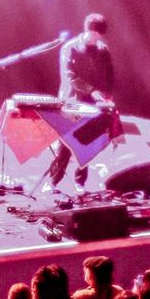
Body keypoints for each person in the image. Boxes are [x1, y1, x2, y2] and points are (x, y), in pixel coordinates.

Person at [47, 13, 116, 192]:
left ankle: (80, 182)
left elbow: (110, 75)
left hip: (93, 104)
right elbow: (70, 76)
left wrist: (108, 94)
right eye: (95, 34)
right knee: (66, 143)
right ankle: (53, 181)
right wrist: (92, 91)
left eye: (100, 36)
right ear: (88, 30)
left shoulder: (102, 50)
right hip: (72, 101)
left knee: (85, 142)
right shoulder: (70, 48)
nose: (97, 38)